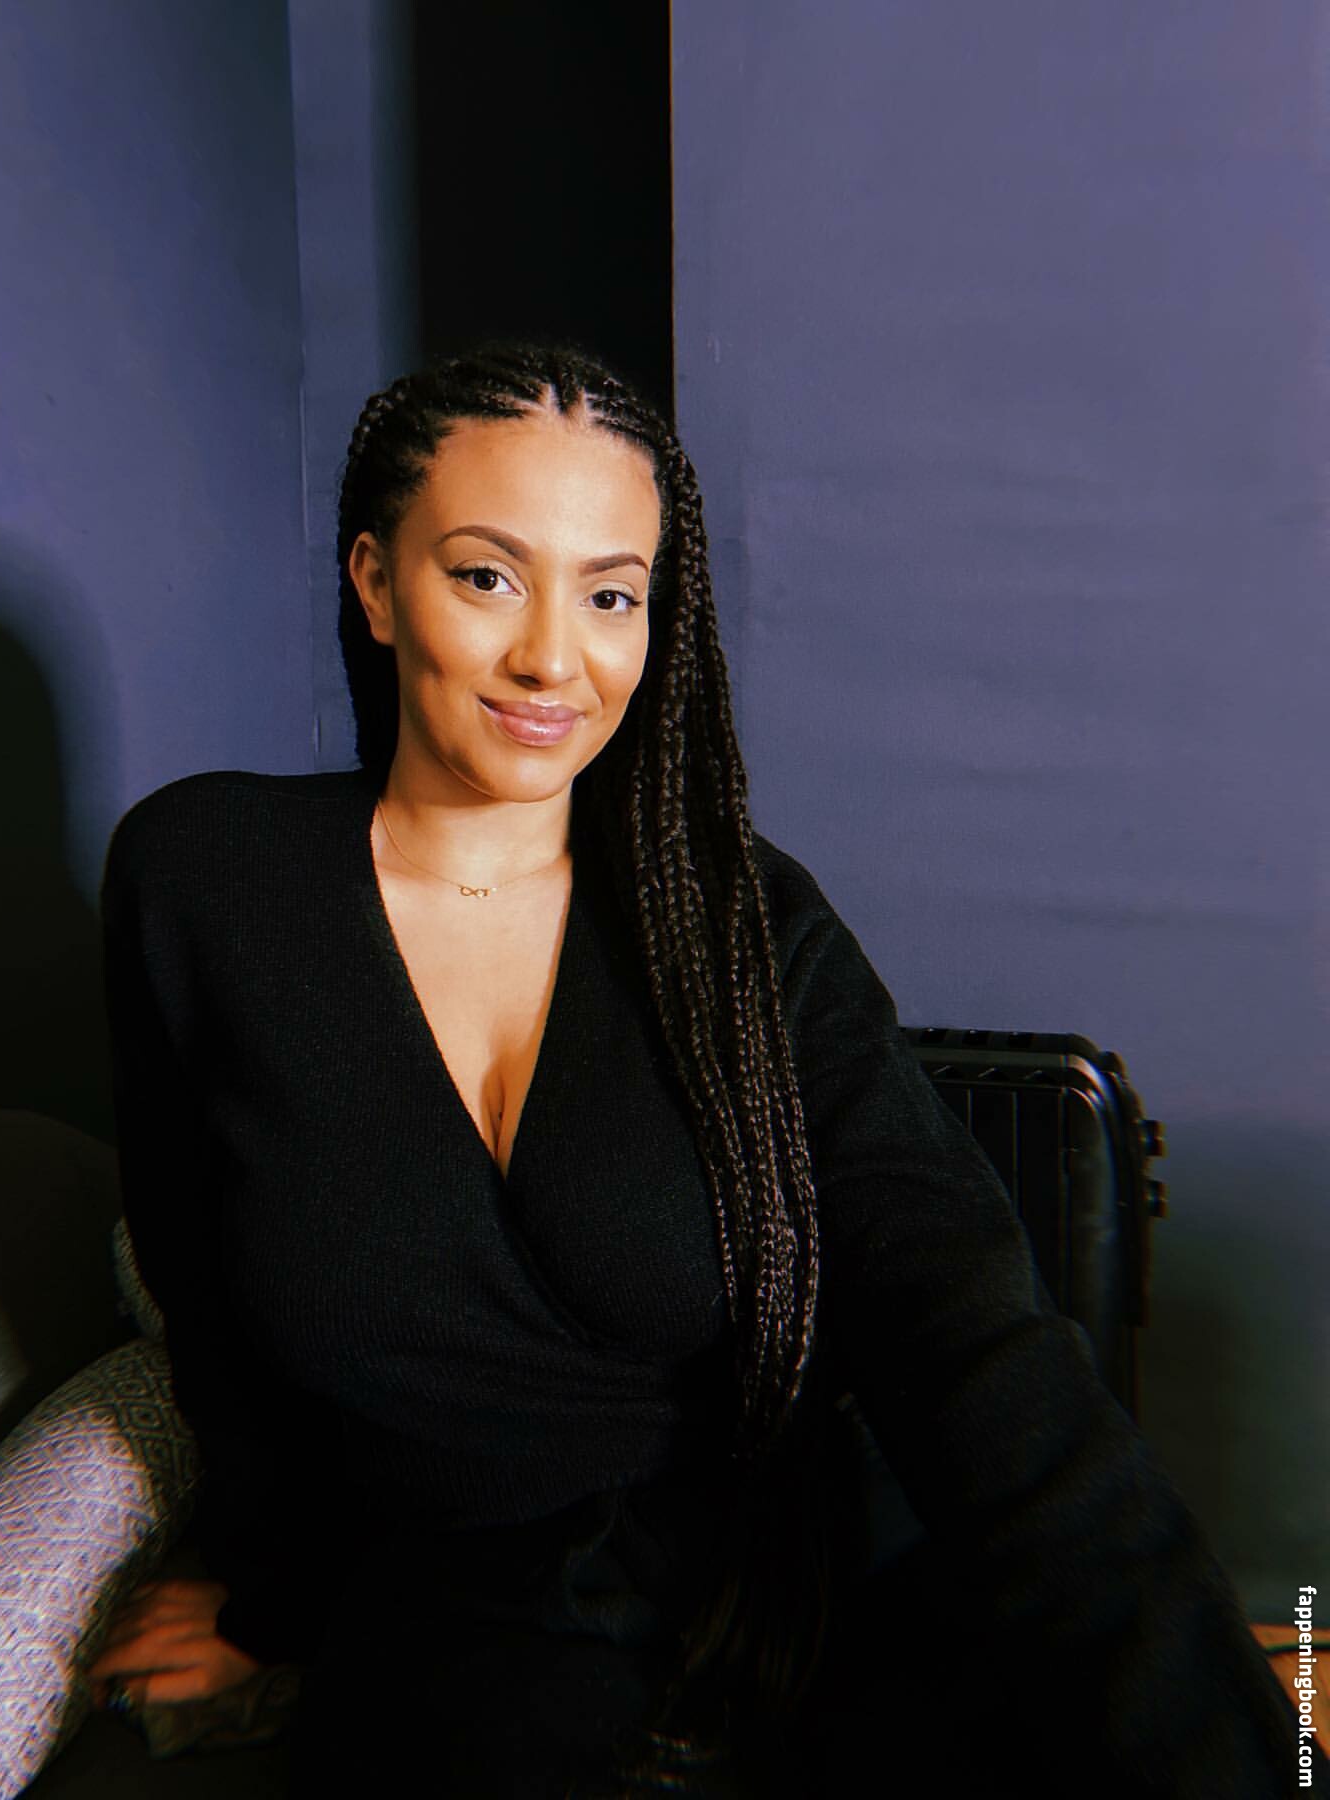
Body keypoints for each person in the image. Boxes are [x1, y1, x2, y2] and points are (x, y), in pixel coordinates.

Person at [87, 340, 1319, 1797]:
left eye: (612, 595)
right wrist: (267, 1592)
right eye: (487, 577)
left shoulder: (737, 922)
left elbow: (967, 1326)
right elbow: (207, 1291)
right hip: (474, 1654)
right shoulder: (207, 881)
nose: (556, 658)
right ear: (374, 582)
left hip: (804, 1598)